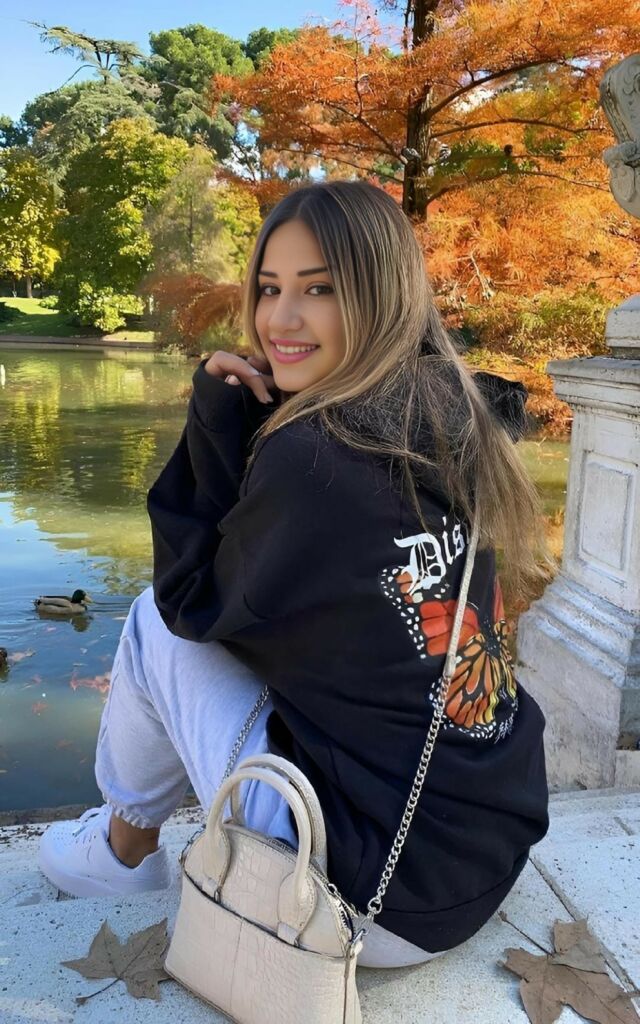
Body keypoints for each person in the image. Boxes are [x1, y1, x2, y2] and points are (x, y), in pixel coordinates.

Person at [39, 180, 552, 969]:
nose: (279, 319)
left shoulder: (318, 458)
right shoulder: (450, 421)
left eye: (319, 290)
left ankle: (121, 852)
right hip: (478, 857)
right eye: (269, 288)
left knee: (150, 623)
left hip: (369, 900)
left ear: (381, 297)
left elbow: (190, 602)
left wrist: (216, 416)